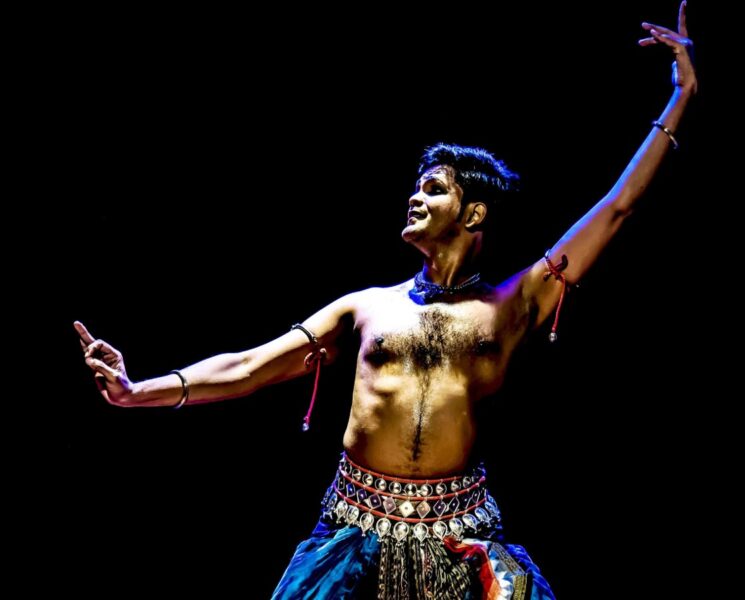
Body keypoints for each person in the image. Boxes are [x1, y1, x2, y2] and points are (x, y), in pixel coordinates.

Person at [75, 4, 696, 598]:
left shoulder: (513, 304)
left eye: (434, 189)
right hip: (354, 533)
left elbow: (617, 206)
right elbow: (248, 366)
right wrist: (138, 390)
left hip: (462, 537)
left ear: (473, 214)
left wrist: (681, 95)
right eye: (415, 188)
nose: (414, 198)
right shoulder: (364, 308)